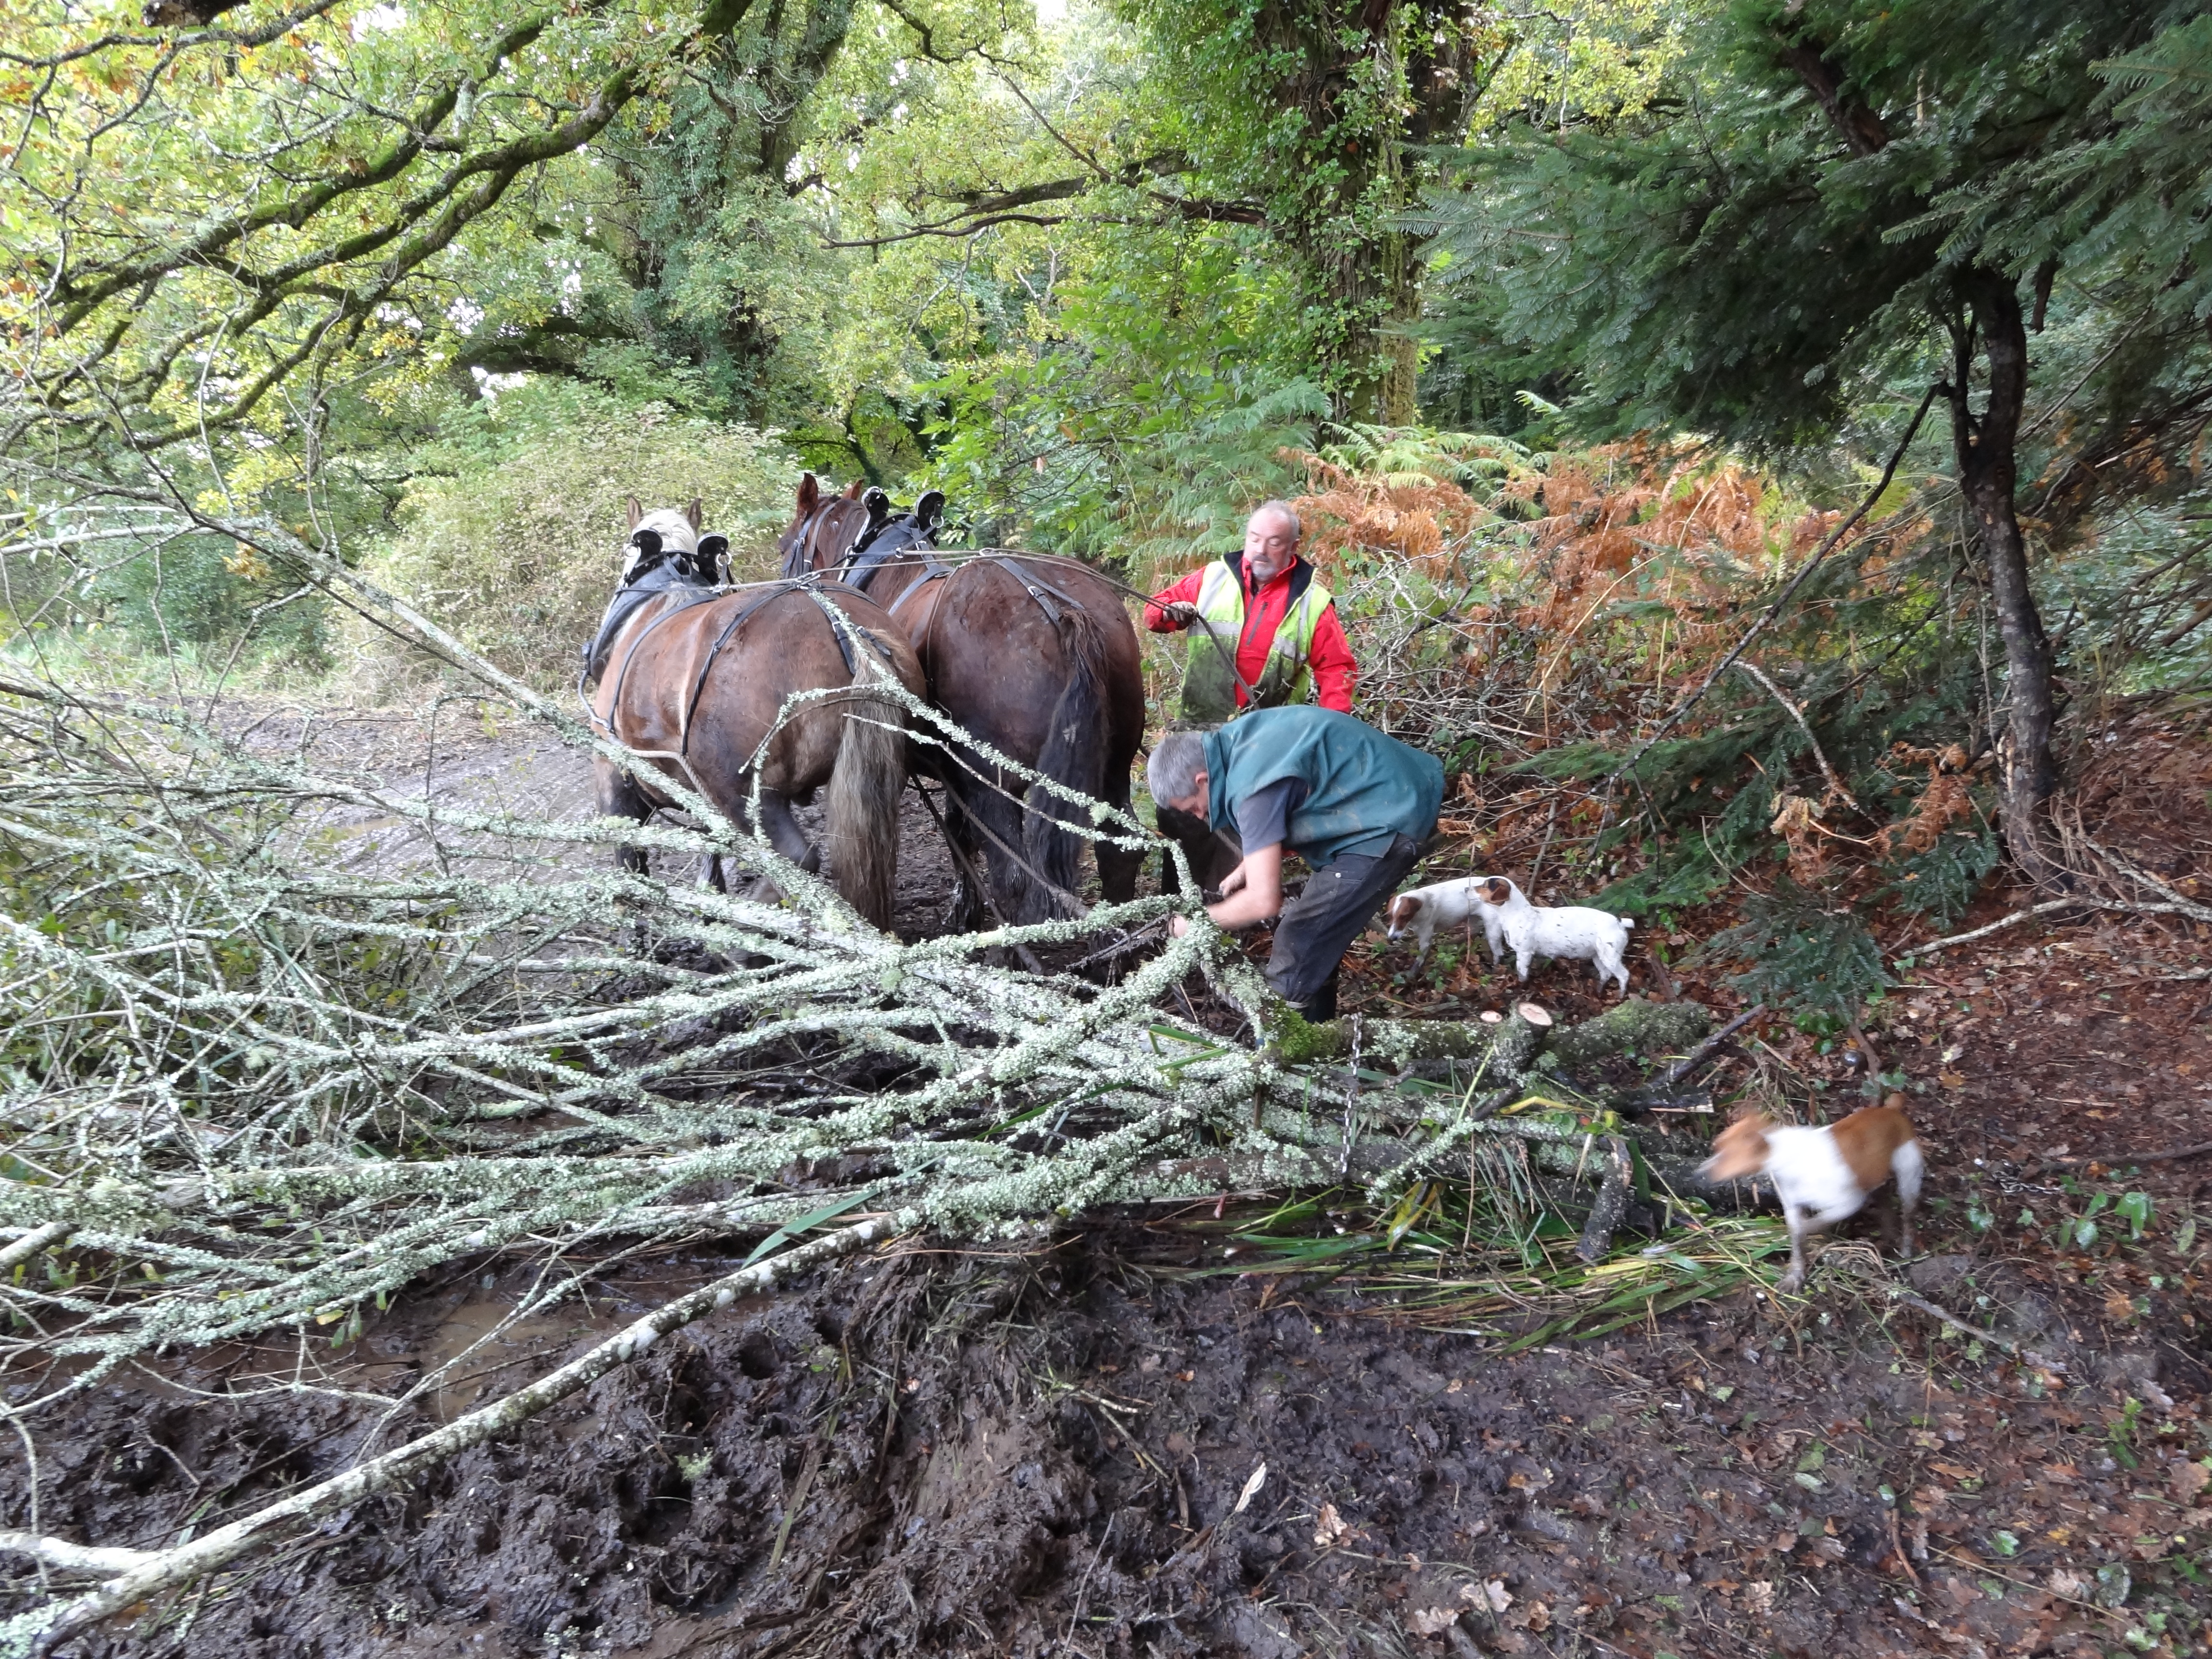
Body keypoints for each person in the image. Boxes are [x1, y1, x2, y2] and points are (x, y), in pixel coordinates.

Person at [1149, 706, 1443, 1021]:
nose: (1199, 817)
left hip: (1392, 819)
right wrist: (1252, 860)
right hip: (1399, 786)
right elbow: (1280, 795)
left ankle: (1283, 1044)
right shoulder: (1236, 744)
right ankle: (1319, 1032)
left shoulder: (1252, 793)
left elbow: (1264, 902)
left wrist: (1192, 926)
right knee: (1320, 937)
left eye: (1193, 807)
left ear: (1202, 780)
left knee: (1300, 937)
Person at [1144, 501, 1357, 726]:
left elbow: (1337, 668)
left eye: (1274, 543)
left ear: (1294, 547)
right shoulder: (1213, 578)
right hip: (1199, 727)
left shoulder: (1313, 602)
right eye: (1254, 539)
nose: (1261, 551)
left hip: (1272, 735)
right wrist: (1170, 613)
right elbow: (1153, 612)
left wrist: (1334, 726)